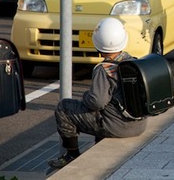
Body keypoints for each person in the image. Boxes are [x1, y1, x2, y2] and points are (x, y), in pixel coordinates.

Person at [48, 18, 147, 169]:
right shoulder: (133, 62)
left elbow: (96, 102)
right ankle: (98, 141)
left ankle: (71, 154)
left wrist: (86, 96)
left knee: (64, 108)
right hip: (139, 125)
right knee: (108, 109)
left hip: (117, 127)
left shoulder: (104, 69)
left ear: (97, 44)